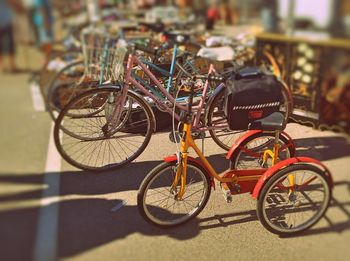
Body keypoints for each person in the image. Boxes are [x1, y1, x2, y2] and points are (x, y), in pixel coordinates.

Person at [0, 0, 23, 73]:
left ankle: (6, 66)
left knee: (8, 43)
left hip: (6, 20)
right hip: (6, 21)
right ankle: (10, 65)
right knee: (9, 43)